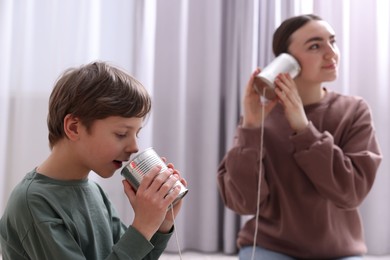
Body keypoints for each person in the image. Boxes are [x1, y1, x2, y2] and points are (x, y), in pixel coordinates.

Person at [217, 14, 382, 260]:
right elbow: (244, 202)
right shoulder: (262, 118)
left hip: (339, 251)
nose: (331, 53)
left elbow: (351, 192)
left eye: (332, 42)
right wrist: (250, 127)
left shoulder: (354, 111)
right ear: (285, 62)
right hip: (270, 247)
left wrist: (303, 129)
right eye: (315, 46)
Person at [0, 61, 187, 259]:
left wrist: (161, 224)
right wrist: (143, 226)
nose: (134, 148)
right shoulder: (33, 203)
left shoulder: (94, 192)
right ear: (74, 127)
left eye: (136, 134)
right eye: (121, 134)